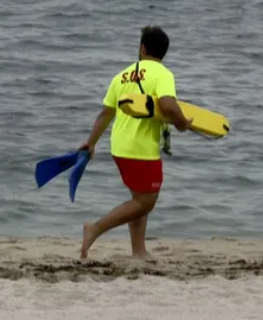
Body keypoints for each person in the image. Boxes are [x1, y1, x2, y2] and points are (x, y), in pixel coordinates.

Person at [77, 26, 191, 260]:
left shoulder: (122, 76)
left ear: (142, 49)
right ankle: (95, 229)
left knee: (138, 198)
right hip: (141, 149)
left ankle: (139, 251)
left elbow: (106, 113)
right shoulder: (163, 74)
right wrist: (182, 124)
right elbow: (168, 105)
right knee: (146, 202)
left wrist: (91, 143)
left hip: (119, 146)